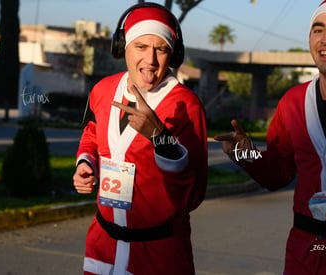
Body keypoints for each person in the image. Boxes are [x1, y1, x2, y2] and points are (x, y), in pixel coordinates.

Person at [215, 0, 326, 274]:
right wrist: (244, 153)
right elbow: (278, 173)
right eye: (317, 29)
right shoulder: (293, 101)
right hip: (307, 251)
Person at [73, 3, 207, 275]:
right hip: (103, 247)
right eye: (141, 47)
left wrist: (159, 136)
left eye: (161, 49)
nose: (151, 60)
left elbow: (192, 194)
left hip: (158, 254)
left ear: (173, 54)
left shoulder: (186, 105)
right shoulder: (103, 90)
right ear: (123, 47)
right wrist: (86, 163)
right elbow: (91, 133)